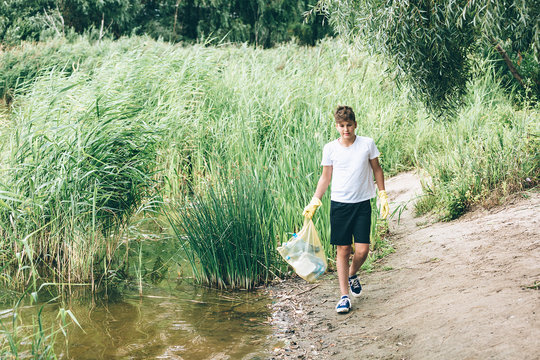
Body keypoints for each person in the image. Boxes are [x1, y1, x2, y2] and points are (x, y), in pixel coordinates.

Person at [303, 105, 389, 314]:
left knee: (362, 250)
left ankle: (352, 274)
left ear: (355, 125)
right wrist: (315, 200)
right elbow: (325, 177)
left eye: (349, 125)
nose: (346, 129)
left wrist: (382, 193)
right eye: (341, 126)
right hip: (339, 204)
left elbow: (377, 169)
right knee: (343, 250)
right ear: (337, 126)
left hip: (362, 204)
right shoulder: (330, 148)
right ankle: (344, 297)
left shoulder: (367, 144)